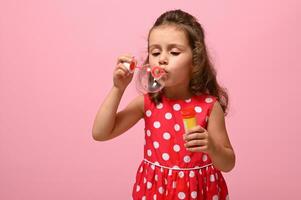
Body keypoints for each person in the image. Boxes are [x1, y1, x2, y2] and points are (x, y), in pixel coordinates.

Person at [92, 9, 235, 200]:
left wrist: (212, 147)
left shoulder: (209, 106)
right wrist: (118, 88)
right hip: (156, 192)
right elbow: (100, 133)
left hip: (200, 193)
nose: (162, 59)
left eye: (174, 52)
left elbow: (228, 164)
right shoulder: (148, 103)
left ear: (195, 60)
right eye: (155, 52)